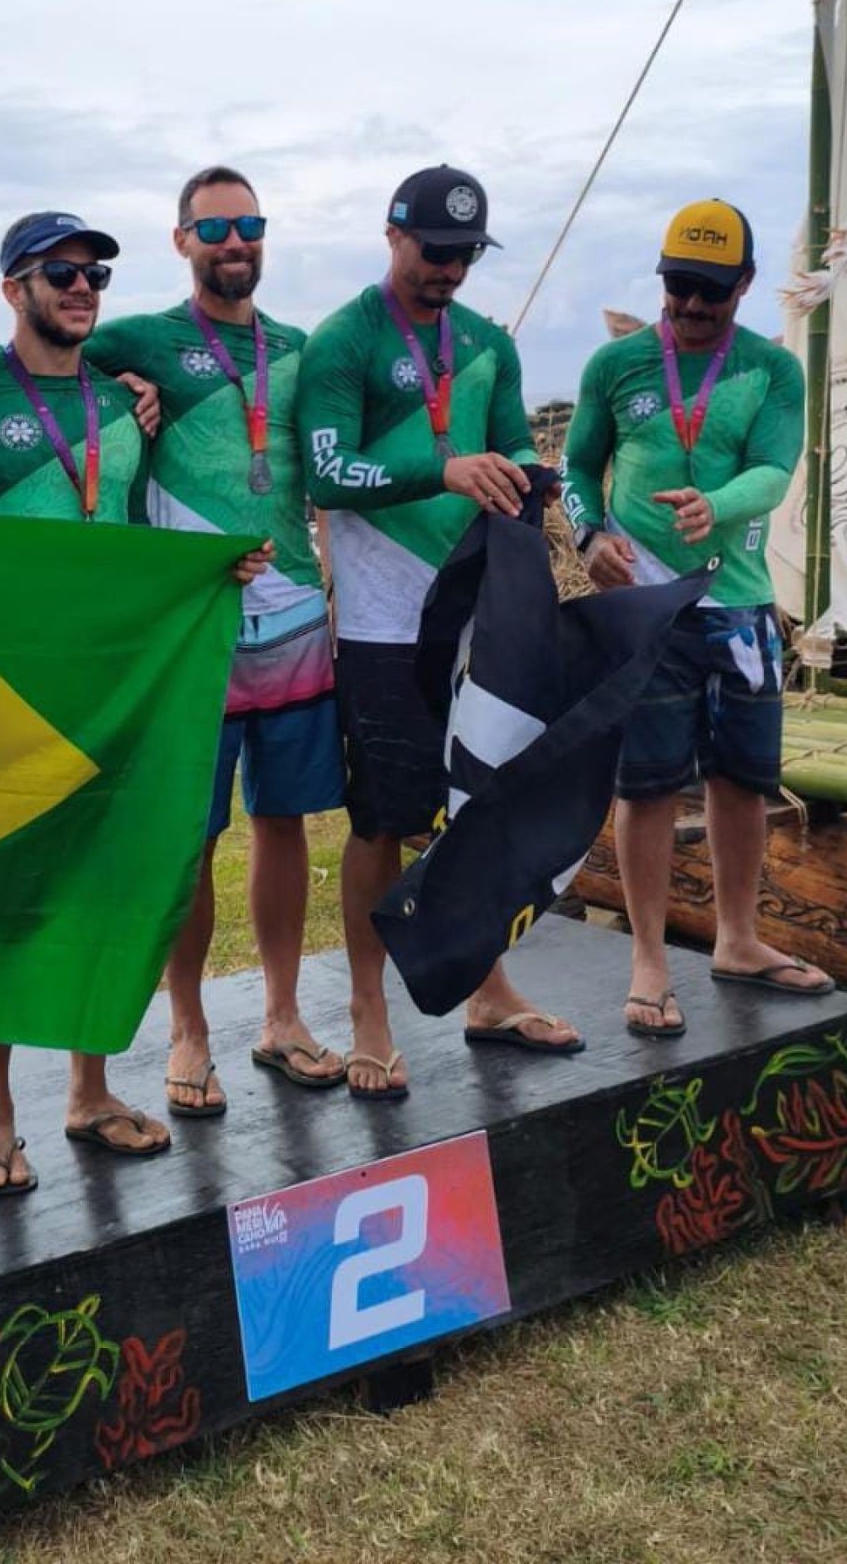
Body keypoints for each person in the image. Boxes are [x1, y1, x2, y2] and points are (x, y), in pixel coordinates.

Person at [0, 211, 272, 1159]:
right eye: (59, 273)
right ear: (14, 289)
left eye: (94, 273)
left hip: (107, 686)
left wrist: (211, 572)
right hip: (3, 683)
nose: (82, 287)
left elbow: (133, 541)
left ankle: (89, 1092)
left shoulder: (119, 407)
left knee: (100, 890)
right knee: (2, 896)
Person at [295, 165, 584, 1097]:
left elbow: (522, 456)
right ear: (393, 236)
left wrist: (535, 504)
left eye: (465, 256)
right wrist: (445, 469)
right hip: (381, 625)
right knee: (382, 820)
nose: (449, 271)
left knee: (477, 810)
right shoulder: (345, 339)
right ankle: (368, 1012)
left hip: (475, 616)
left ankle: (487, 991)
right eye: (434, 252)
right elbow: (328, 470)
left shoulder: (488, 341)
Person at [86, 168, 346, 1117]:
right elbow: (47, 367)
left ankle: (282, 1016)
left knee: (287, 822)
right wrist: (113, 390)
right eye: (216, 228)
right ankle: (189, 1030)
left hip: (293, 620)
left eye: (250, 226)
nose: (235, 242)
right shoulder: (139, 337)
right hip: (191, 631)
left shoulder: (298, 347)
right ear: (182, 240)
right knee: (189, 839)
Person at [561, 198, 833, 1037]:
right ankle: (648, 957)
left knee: (742, 781)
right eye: (677, 285)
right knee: (644, 787)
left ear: (745, 285)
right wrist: (588, 531)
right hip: (643, 609)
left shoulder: (772, 371)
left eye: (709, 291)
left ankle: (738, 939)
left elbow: (774, 472)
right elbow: (577, 465)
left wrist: (711, 504)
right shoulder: (617, 365)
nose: (689, 306)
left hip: (741, 606)